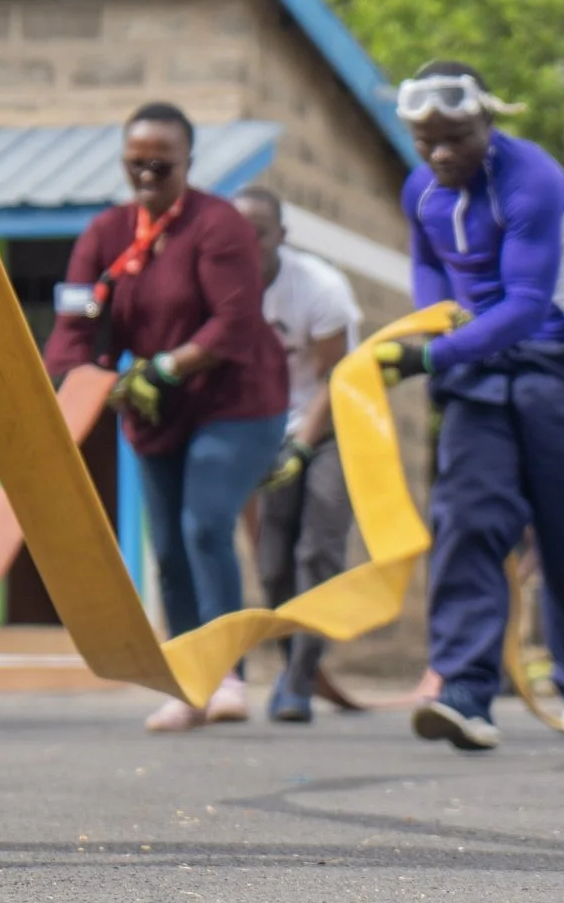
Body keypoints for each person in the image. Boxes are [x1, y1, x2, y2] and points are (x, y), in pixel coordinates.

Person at [387, 62, 564, 760]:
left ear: (488, 122)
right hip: (482, 373)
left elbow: (527, 305)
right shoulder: (420, 189)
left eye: (457, 137)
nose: (441, 153)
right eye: (426, 141)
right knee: (467, 520)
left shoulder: (533, 180)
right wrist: (437, 328)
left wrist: (431, 357)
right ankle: (466, 694)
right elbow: (430, 271)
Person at [45, 105, 289, 732]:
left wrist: (165, 368)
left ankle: (227, 676)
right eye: (138, 163)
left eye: (163, 163)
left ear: (187, 162)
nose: (148, 174)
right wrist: (87, 380)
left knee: (205, 525)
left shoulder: (219, 225)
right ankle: (186, 681)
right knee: (169, 550)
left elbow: (233, 322)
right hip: (157, 412)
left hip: (237, 402)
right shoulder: (105, 234)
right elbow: (77, 322)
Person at [234, 186, 361, 725]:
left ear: (281, 236)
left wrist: (303, 445)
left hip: (331, 426)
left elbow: (336, 376)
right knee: (272, 562)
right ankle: (294, 665)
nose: (247, 243)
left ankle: (298, 682)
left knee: (317, 552)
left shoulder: (319, 287)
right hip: (264, 427)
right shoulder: (218, 287)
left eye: (259, 233)